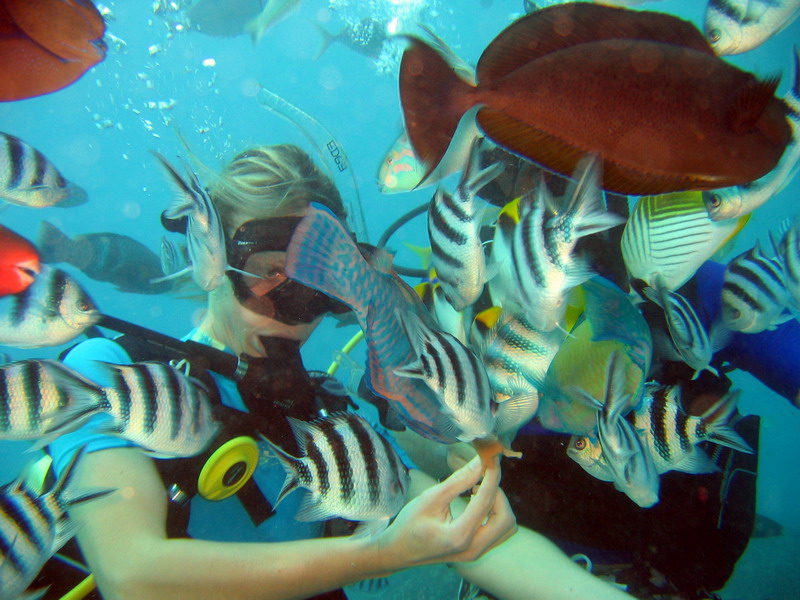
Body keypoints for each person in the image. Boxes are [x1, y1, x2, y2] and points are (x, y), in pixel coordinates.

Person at [46, 144, 634, 600]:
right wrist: (378, 556)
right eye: (269, 273)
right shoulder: (111, 377)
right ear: (213, 260)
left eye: (317, 286)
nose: (294, 310)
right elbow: (131, 575)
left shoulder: (326, 412)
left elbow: (469, 536)